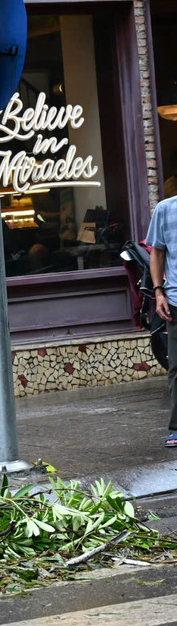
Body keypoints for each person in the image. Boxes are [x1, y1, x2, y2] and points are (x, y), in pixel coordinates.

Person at [146, 192, 177, 447]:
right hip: (176, 300)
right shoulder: (166, 209)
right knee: (176, 367)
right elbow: (156, 253)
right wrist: (158, 292)